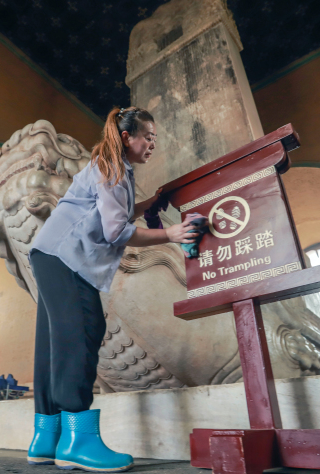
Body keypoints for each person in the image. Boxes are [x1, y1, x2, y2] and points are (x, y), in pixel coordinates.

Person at [26, 107, 198, 472]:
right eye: (147, 136)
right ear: (126, 137)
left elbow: (110, 214)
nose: (152, 143)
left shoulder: (104, 165)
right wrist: (171, 234)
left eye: (154, 138)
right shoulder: (115, 168)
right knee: (82, 333)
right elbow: (115, 231)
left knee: (54, 342)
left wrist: (149, 205)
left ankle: (47, 437)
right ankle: (77, 442)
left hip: (50, 254)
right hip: (68, 259)